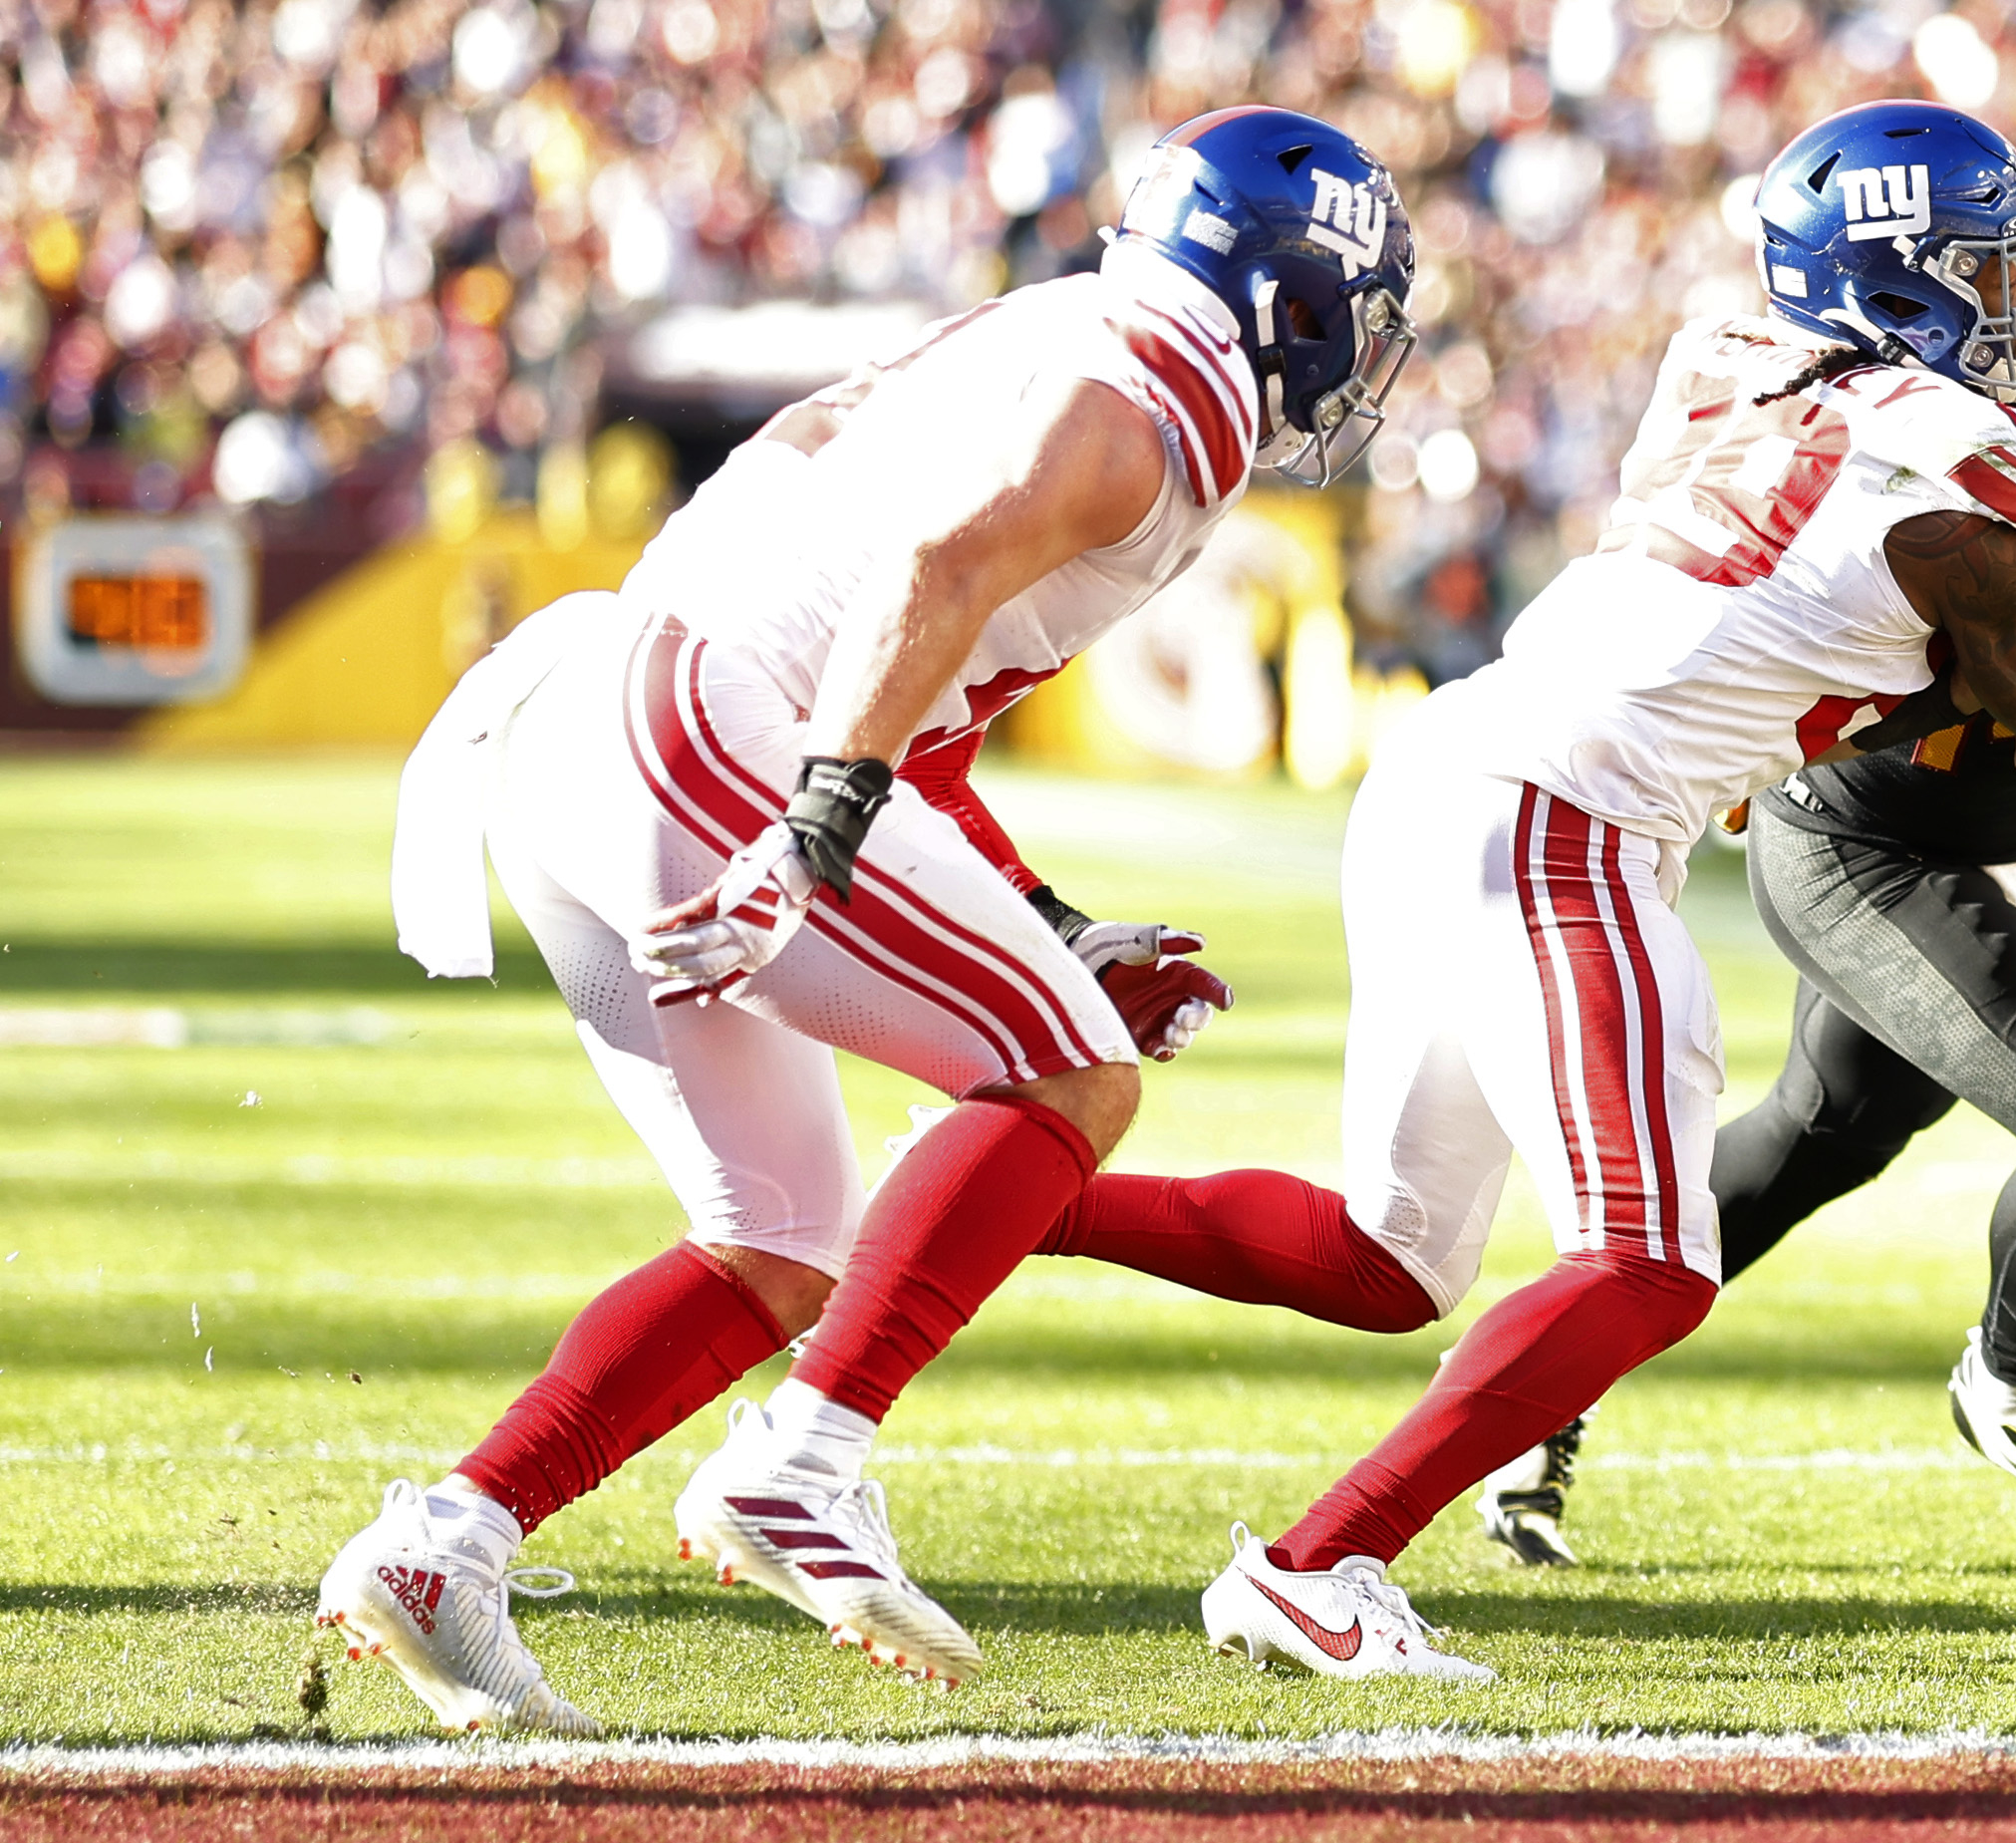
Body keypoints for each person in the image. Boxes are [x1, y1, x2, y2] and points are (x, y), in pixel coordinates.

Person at [1030, 105, 2016, 1679]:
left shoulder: (1732, 353)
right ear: (1897, 291)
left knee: (1398, 1258)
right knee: (1655, 1259)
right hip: (1585, 815)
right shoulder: (1975, 466)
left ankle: (986, 1200)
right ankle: (1321, 1562)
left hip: (1465, 767)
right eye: (1993, 275)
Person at [313, 108, 1418, 1733]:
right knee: (1073, 1076)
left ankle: (448, 1537)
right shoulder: (1162, 391)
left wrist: (1042, 914)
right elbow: (937, 567)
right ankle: (803, 1462)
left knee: (780, 1236)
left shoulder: (1060, 328)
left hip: (603, 718)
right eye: (1352, 308)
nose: (1358, 351)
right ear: (1281, 294)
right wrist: (818, 828)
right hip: (707, 728)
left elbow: (917, 692)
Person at [1471, 184, 2016, 1569]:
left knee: (1824, 1135)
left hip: (2004, 852)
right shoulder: (1958, 454)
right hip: (1852, 828)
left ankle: (1535, 1378)